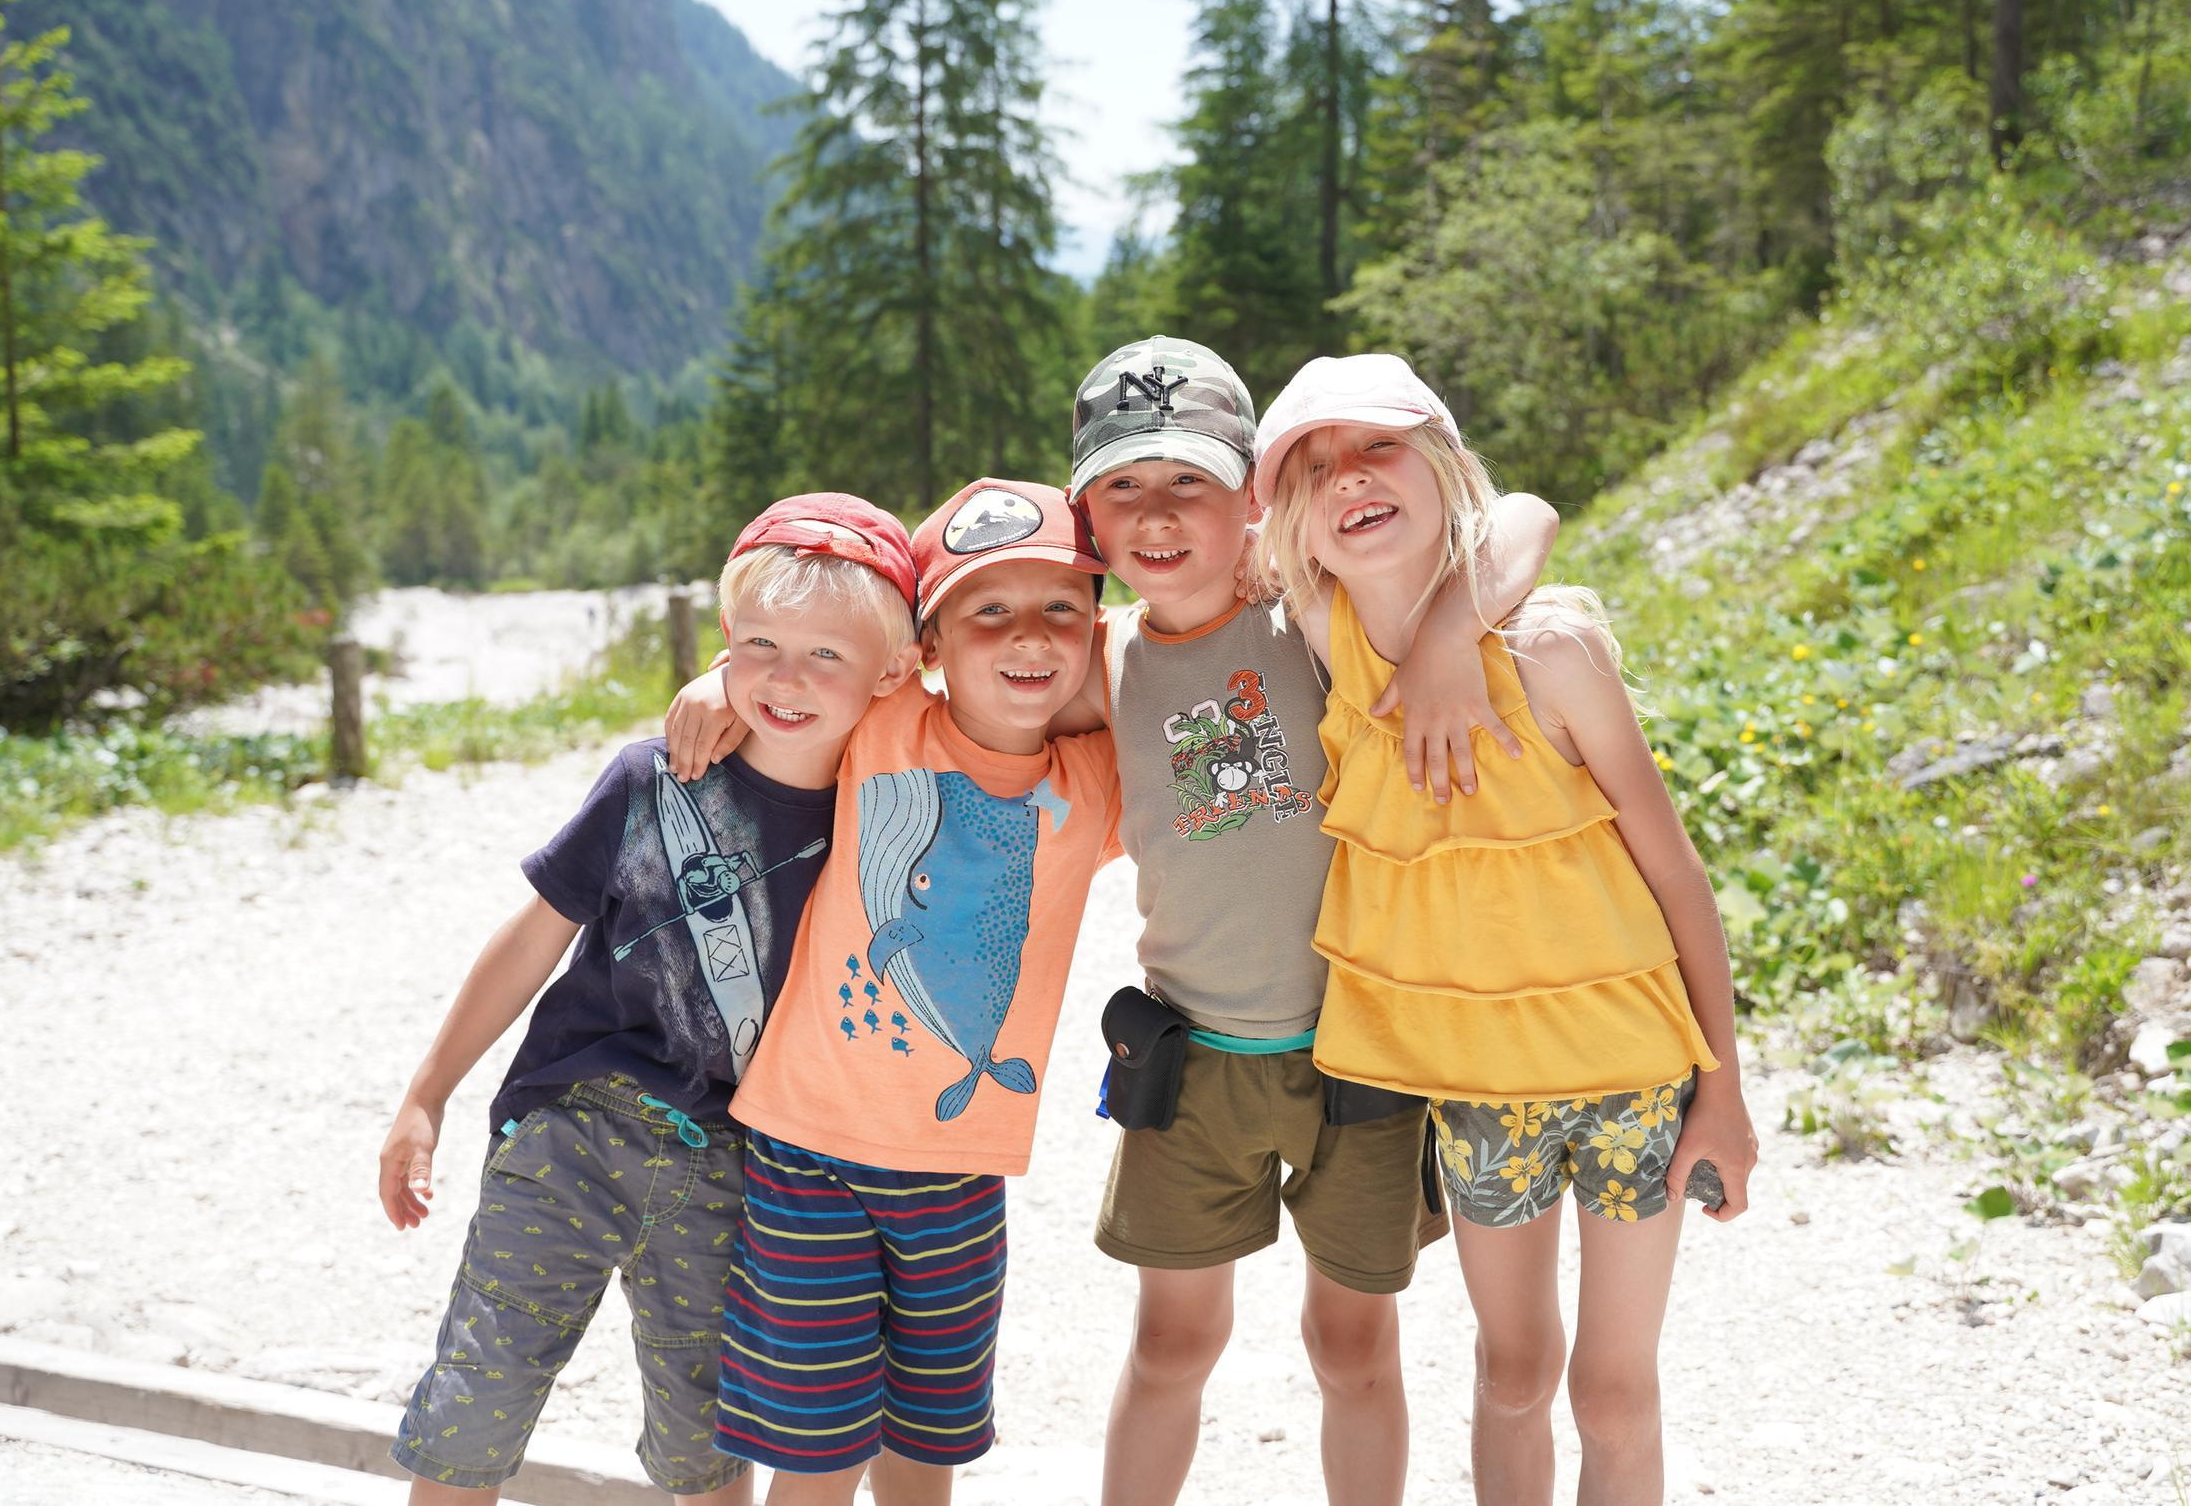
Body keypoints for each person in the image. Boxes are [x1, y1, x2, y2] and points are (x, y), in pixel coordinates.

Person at [1250, 354, 1759, 1506]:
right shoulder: (1327, 635)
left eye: (1377, 447)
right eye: (1314, 467)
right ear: (1292, 523)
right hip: (1480, 1090)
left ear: (1438, 466)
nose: (1348, 479)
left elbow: (1677, 875)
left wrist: (1722, 1091)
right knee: (1515, 1368)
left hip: (1633, 1070)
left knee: (1615, 1391)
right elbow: (1156, 563)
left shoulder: (1552, 653)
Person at [1061, 336, 1555, 1506]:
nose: (1159, 511)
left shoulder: (1318, 615)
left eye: (1190, 479)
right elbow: (928, 665)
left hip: (1359, 1051)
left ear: (1253, 495)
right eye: (1124, 484)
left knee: (1352, 1347)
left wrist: (1441, 634)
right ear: (1087, 518)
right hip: (1191, 1055)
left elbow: (1521, 516)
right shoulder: (1097, 662)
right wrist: (726, 681)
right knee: (1172, 1342)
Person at [376, 495, 922, 1505]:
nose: (785, 679)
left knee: (706, 1444)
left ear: (891, 671)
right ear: (725, 639)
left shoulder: (886, 812)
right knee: (474, 1404)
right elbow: (533, 935)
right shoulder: (651, 778)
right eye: (757, 645)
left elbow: (1008, 672)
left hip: (736, 1163)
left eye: (823, 656)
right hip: (566, 1132)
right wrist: (428, 1089)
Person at [694, 480, 1124, 1506]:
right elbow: (805, 661)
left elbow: (1169, 658)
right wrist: (719, 676)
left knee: (927, 1446)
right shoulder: (884, 720)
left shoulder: (1101, 777)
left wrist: (1091, 649)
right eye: (987, 610)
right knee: (815, 1447)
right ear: (926, 645)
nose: (1029, 635)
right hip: (809, 1151)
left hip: (960, 1166)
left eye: (1061, 607)